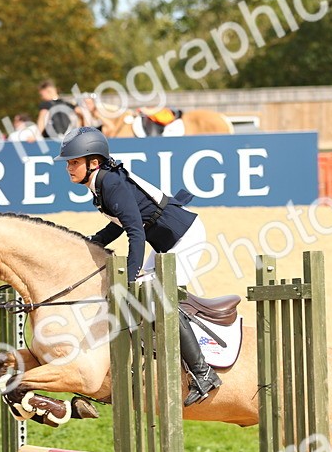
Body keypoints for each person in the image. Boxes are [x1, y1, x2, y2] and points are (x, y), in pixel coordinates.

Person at [54, 126, 220, 405]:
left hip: (185, 237)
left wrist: (129, 277)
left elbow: (135, 232)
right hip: (165, 241)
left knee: (158, 297)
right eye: (69, 163)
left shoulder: (110, 183)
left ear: (93, 163)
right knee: (144, 291)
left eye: (74, 162)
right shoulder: (101, 183)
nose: (69, 168)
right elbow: (118, 224)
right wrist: (90, 244)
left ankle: (204, 373)